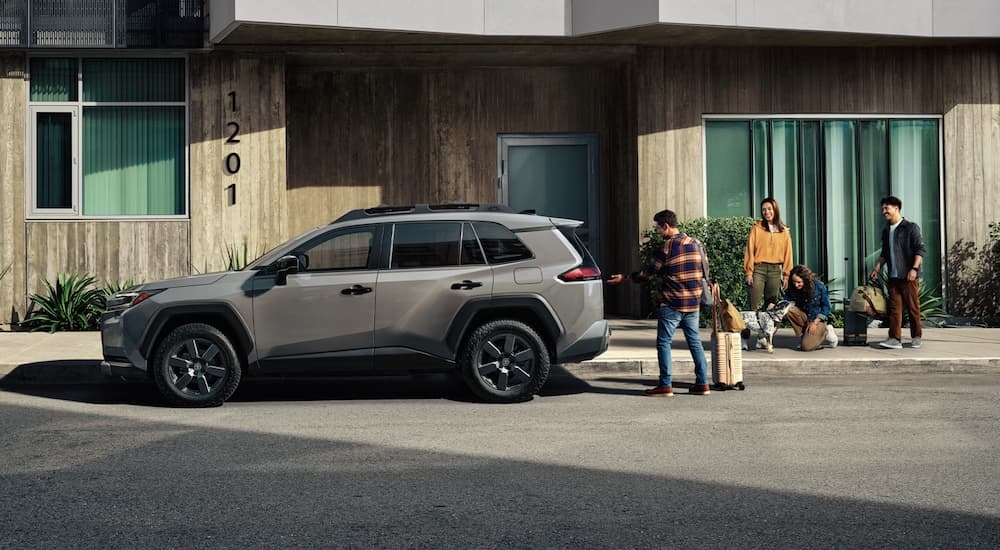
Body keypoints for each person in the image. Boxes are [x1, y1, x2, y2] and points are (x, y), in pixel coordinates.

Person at [606, 209, 710, 396]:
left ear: (666, 226)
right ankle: (702, 384)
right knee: (695, 342)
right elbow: (704, 271)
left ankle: (665, 385)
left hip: (672, 302)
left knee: (664, 342)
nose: (657, 232)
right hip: (693, 302)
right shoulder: (696, 244)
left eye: (657, 229)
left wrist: (625, 278)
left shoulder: (667, 247)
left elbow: (647, 274)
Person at [868, 195, 926, 349]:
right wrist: (876, 268)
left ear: (896, 208)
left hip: (908, 276)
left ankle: (916, 336)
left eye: (886, 208)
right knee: (894, 309)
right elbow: (885, 253)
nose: (883, 211)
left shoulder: (911, 227)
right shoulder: (886, 230)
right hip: (893, 277)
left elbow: (920, 250)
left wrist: (914, 269)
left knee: (913, 307)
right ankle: (894, 339)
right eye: (882, 209)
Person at [744, 197, 793, 311]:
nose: (766, 212)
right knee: (753, 302)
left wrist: (786, 276)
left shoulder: (784, 232)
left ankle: (768, 328)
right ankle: (747, 327)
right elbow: (750, 251)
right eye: (764, 210)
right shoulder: (756, 228)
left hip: (775, 270)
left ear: (775, 210)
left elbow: (788, 255)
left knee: (771, 304)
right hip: (758, 269)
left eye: (769, 209)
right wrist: (749, 272)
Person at [780, 264, 839, 351]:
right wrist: (775, 306)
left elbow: (826, 306)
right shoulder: (792, 288)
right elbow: (786, 302)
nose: (796, 285)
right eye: (794, 282)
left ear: (806, 280)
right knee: (789, 309)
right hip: (805, 317)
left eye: (799, 282)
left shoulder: (819, 286)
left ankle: (825, 331)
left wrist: (815, 322)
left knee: (806, 347)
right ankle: (805, 334)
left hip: (817, 319)